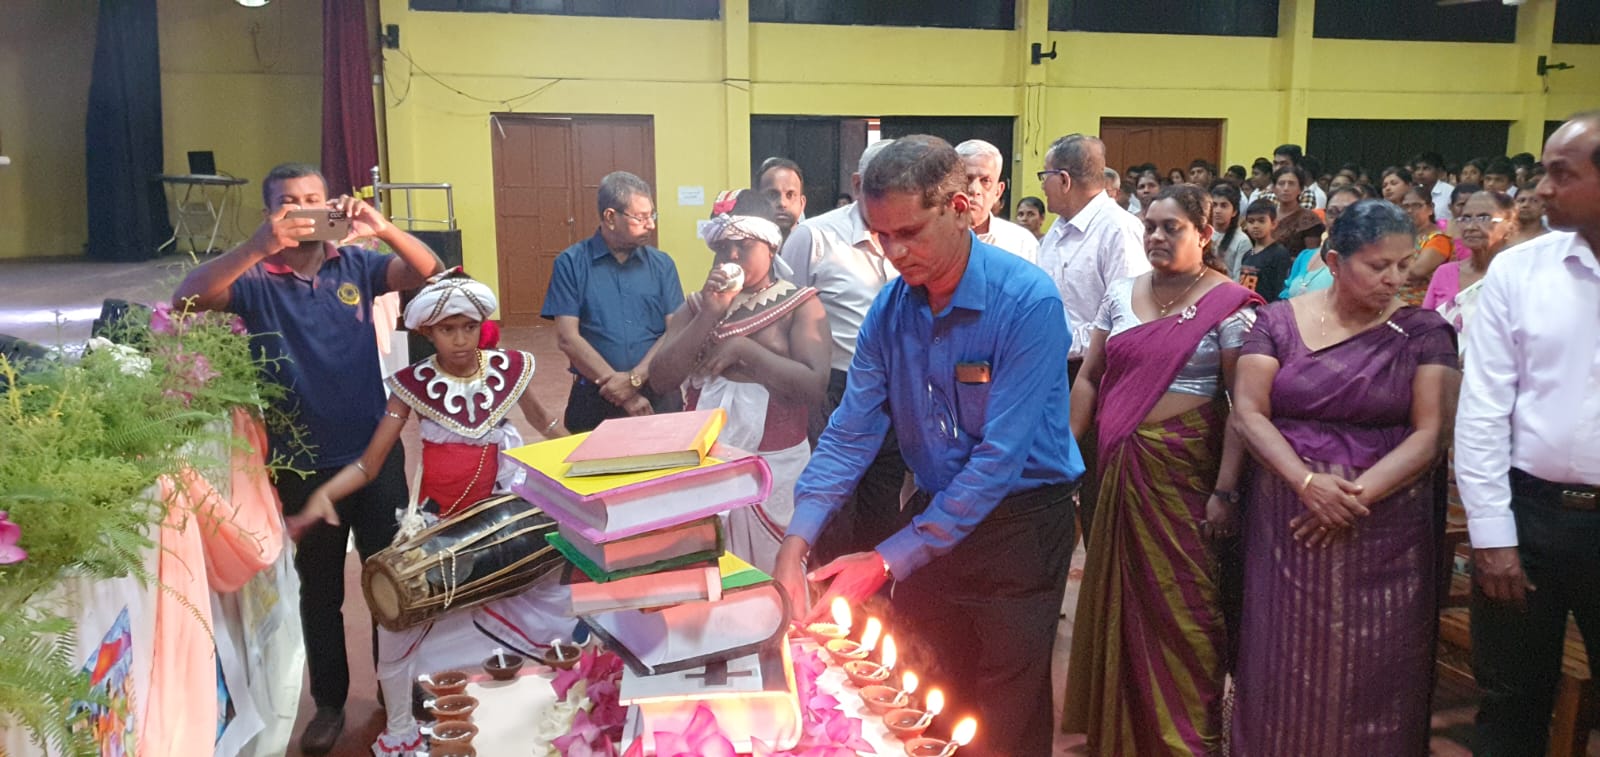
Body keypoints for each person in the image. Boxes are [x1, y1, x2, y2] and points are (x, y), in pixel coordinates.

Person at [774, 135, 1083, 757]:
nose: (895, 253)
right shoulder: (889, 311)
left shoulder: (1025, 301)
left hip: (1021, 524)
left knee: (1004, 712)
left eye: (910, 232)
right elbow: (851, 431)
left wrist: (886, 559)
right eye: (881, 235)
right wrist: (796, 540)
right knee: (926, 687)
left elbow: (999, 460)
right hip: (937, 511)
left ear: (962, 208)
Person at [171, 162, 444, 754]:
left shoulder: (359, 266)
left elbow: (431, 272)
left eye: (314, 199)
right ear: (272, 212)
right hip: (299, 460)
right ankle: (329, 705)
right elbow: (186, 301)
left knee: (391, 578)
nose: (304, 209)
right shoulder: (255, 276)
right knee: (320, 589)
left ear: (331, 205)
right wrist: (254, 246)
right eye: (289, 202)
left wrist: (380, 226)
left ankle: (400, 686)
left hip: (374, 452)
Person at [285, 273, 571, 756]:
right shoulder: (412, 386)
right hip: (437, 527)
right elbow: (370, 462)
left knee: (554, 590)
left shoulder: (510, 368)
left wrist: (595, 459)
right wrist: (324, 495)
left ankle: (544, 704)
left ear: (483, 324)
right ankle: (400, 729)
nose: (460, 339)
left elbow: (548, 425)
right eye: (447, 329)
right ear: (427, 334)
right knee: (394, 624)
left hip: (502, 517)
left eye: (468, 326)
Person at [1230, 199, 1458, 754]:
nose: (1395, 279)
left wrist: (1352, 497)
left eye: (1405, 265)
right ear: (1333, 261)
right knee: (1284, 651)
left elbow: (1431, 432)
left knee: (1378, 658)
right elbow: (1249, 411)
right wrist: (1308, 485)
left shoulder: (1424, 331)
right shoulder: (1278, 322)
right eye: (1378, 265)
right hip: (1288, 511)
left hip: (1384, 523)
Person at [1063, 185, 1262, 755]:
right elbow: (1090, 378)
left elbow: (1240, 406)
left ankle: (1186, 739)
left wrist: (1226, 490)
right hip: (1117, 468)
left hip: (1188, 478)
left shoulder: (1229, 306)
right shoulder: (1121, 294)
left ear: (1205, 233)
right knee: (1118, 599)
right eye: (1149, 225)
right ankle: (1119, 726)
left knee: (1187, 607)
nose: (1155, 236)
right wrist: (1066, 449)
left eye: (1171, 227)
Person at [1458, 114, 1600, 756]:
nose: (1541, 189)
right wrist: (1492, 534)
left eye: (1562, 174)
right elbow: (1484, 409)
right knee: (1510, 704)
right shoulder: (1520, 273)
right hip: (1529, 516)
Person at [648, 190, 830, 571]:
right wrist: (709, 314)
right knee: (707, 571)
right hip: (705, 465)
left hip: (774, 470)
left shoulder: (799, 304)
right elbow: (662, 378)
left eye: (743, 246)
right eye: (722, 247)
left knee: (772, 575)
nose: (731, 256)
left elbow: (814, 386)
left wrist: (745, 351)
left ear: (769, 246)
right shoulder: (700, 305)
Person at [776, 140, 905, 560]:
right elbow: (784, 314)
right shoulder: (814, 236)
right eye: (879, 188)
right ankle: (828, 609)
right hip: (835, 388)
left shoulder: (909, 236)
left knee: (883, 503)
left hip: (897, 390)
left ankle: (877, 608)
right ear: (857, 183)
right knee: (834, 505)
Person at [1036, 133, 1150, 542]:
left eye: (1044, 176)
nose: (1042, 185)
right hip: (1054, 376)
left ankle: (1103, 595)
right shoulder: (1057, 231)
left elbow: (1130, 316)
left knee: (1098, 491)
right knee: (1053, 484)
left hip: (1099, 376)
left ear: (1063, 179)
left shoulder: (1118, 230)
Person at [541, 171, 684, 432]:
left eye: (652, 215)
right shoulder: (571, 264)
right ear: (610, 217)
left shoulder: (662, 265)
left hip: (657, 396)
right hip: (594, 399)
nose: (651, 224)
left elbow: (675, 330)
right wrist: (626, 393)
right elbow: (567, 338)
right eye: (641, 217)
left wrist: (635, 379)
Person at [1424, 190, 1516, 330]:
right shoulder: (1444, 273)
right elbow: (1425, 327)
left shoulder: (1517, 277)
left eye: (1483, 218)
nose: (1471, 227)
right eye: (1465, 218)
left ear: (1510, 223)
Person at [955, 139, 1039, 264]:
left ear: (998, 192)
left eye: (985, 181)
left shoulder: (1021, 243)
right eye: (967, 179)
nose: (974, 190)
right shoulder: (930, 237)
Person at [1281, 184, 1362, 299]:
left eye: (1348, 213)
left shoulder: (1365, 262)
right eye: (1332, 212)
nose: (1338, 219)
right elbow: (1285, 296)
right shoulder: (1305, 256)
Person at [1399, 184, 1455, 306]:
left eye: (1416, 206)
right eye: (1405, 206)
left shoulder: (1438, 239)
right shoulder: (1401, 237)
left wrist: (1389, 269)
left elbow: (1416, 271)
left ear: (1430, 208)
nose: (1409, 211)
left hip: (1422, 309)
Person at [1237, 199, 1293, 303]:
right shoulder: (1247, 255)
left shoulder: (1279, 254)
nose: (1255, 226)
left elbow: (1280, 289)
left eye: (1261, 221)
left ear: (1273, 224)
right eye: (1251, 221)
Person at [1269, 165, 1325, 253]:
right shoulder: (1268, 214)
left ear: (1301, 189)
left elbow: (1311, 256)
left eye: (1291, 184)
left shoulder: (1309, 219)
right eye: (1281, 183)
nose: (1286, 188)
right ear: (1274, 188)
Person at [1209, 182, 1252, 278]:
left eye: (1224, 206)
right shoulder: (1203, 234)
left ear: (1234, 212)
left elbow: (1238, 278)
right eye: (1214, 205)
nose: (1217, 210)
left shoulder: (1242, 241)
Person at [758, 156, 808, 239]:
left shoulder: (816, 247)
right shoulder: (740, 248)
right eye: (772, 195)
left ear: (802, 203)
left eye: (790, 195)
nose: (782, 203)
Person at [1273, 144, 1326, 209]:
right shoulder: (1266, 193)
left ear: (1297, 166)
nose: (1277, 168)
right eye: (1275, 164)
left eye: (1284, 164)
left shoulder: (1306, 195)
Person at [1412, 150, 1455, 221]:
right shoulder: (1414, 192)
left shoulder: (1450, 192)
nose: (1420, 173)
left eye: (1426, 168)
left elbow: (1448, 220)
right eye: (1417, 169)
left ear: (1439, 171)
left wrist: (1437, 228)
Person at [1505, 179, 1548, 248]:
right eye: (1521, 200)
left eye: (1534, 201)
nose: (1525, 205)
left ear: (1544, 208)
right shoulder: (1501, 237)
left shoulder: (1550, 239)